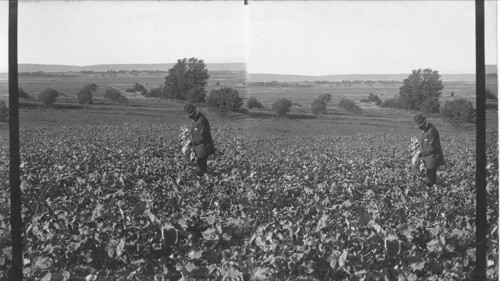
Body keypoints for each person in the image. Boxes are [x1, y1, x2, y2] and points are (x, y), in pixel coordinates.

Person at [184, 103, 215, 176]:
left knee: (200, 169)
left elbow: (202, 137)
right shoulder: (196, 119)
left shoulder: (201, 120)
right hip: (198, 147)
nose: (190, 117)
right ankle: (202, 180)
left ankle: (203, 182)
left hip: (203, 148)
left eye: (191, 115)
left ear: (194, 111)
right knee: (199, 167)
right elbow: (196, 132)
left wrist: (190, 142)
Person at [414, 113, 444, 187]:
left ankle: (432, 193)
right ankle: (430, 191)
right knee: (428, 178)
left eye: (420, 126)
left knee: (430, 181)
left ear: (424, 123)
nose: (420, 128)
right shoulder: (426, 129)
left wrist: (420, 153)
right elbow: (425, 143)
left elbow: (431, 148)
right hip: (427, 157)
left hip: (432, 158)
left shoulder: (431, 131)